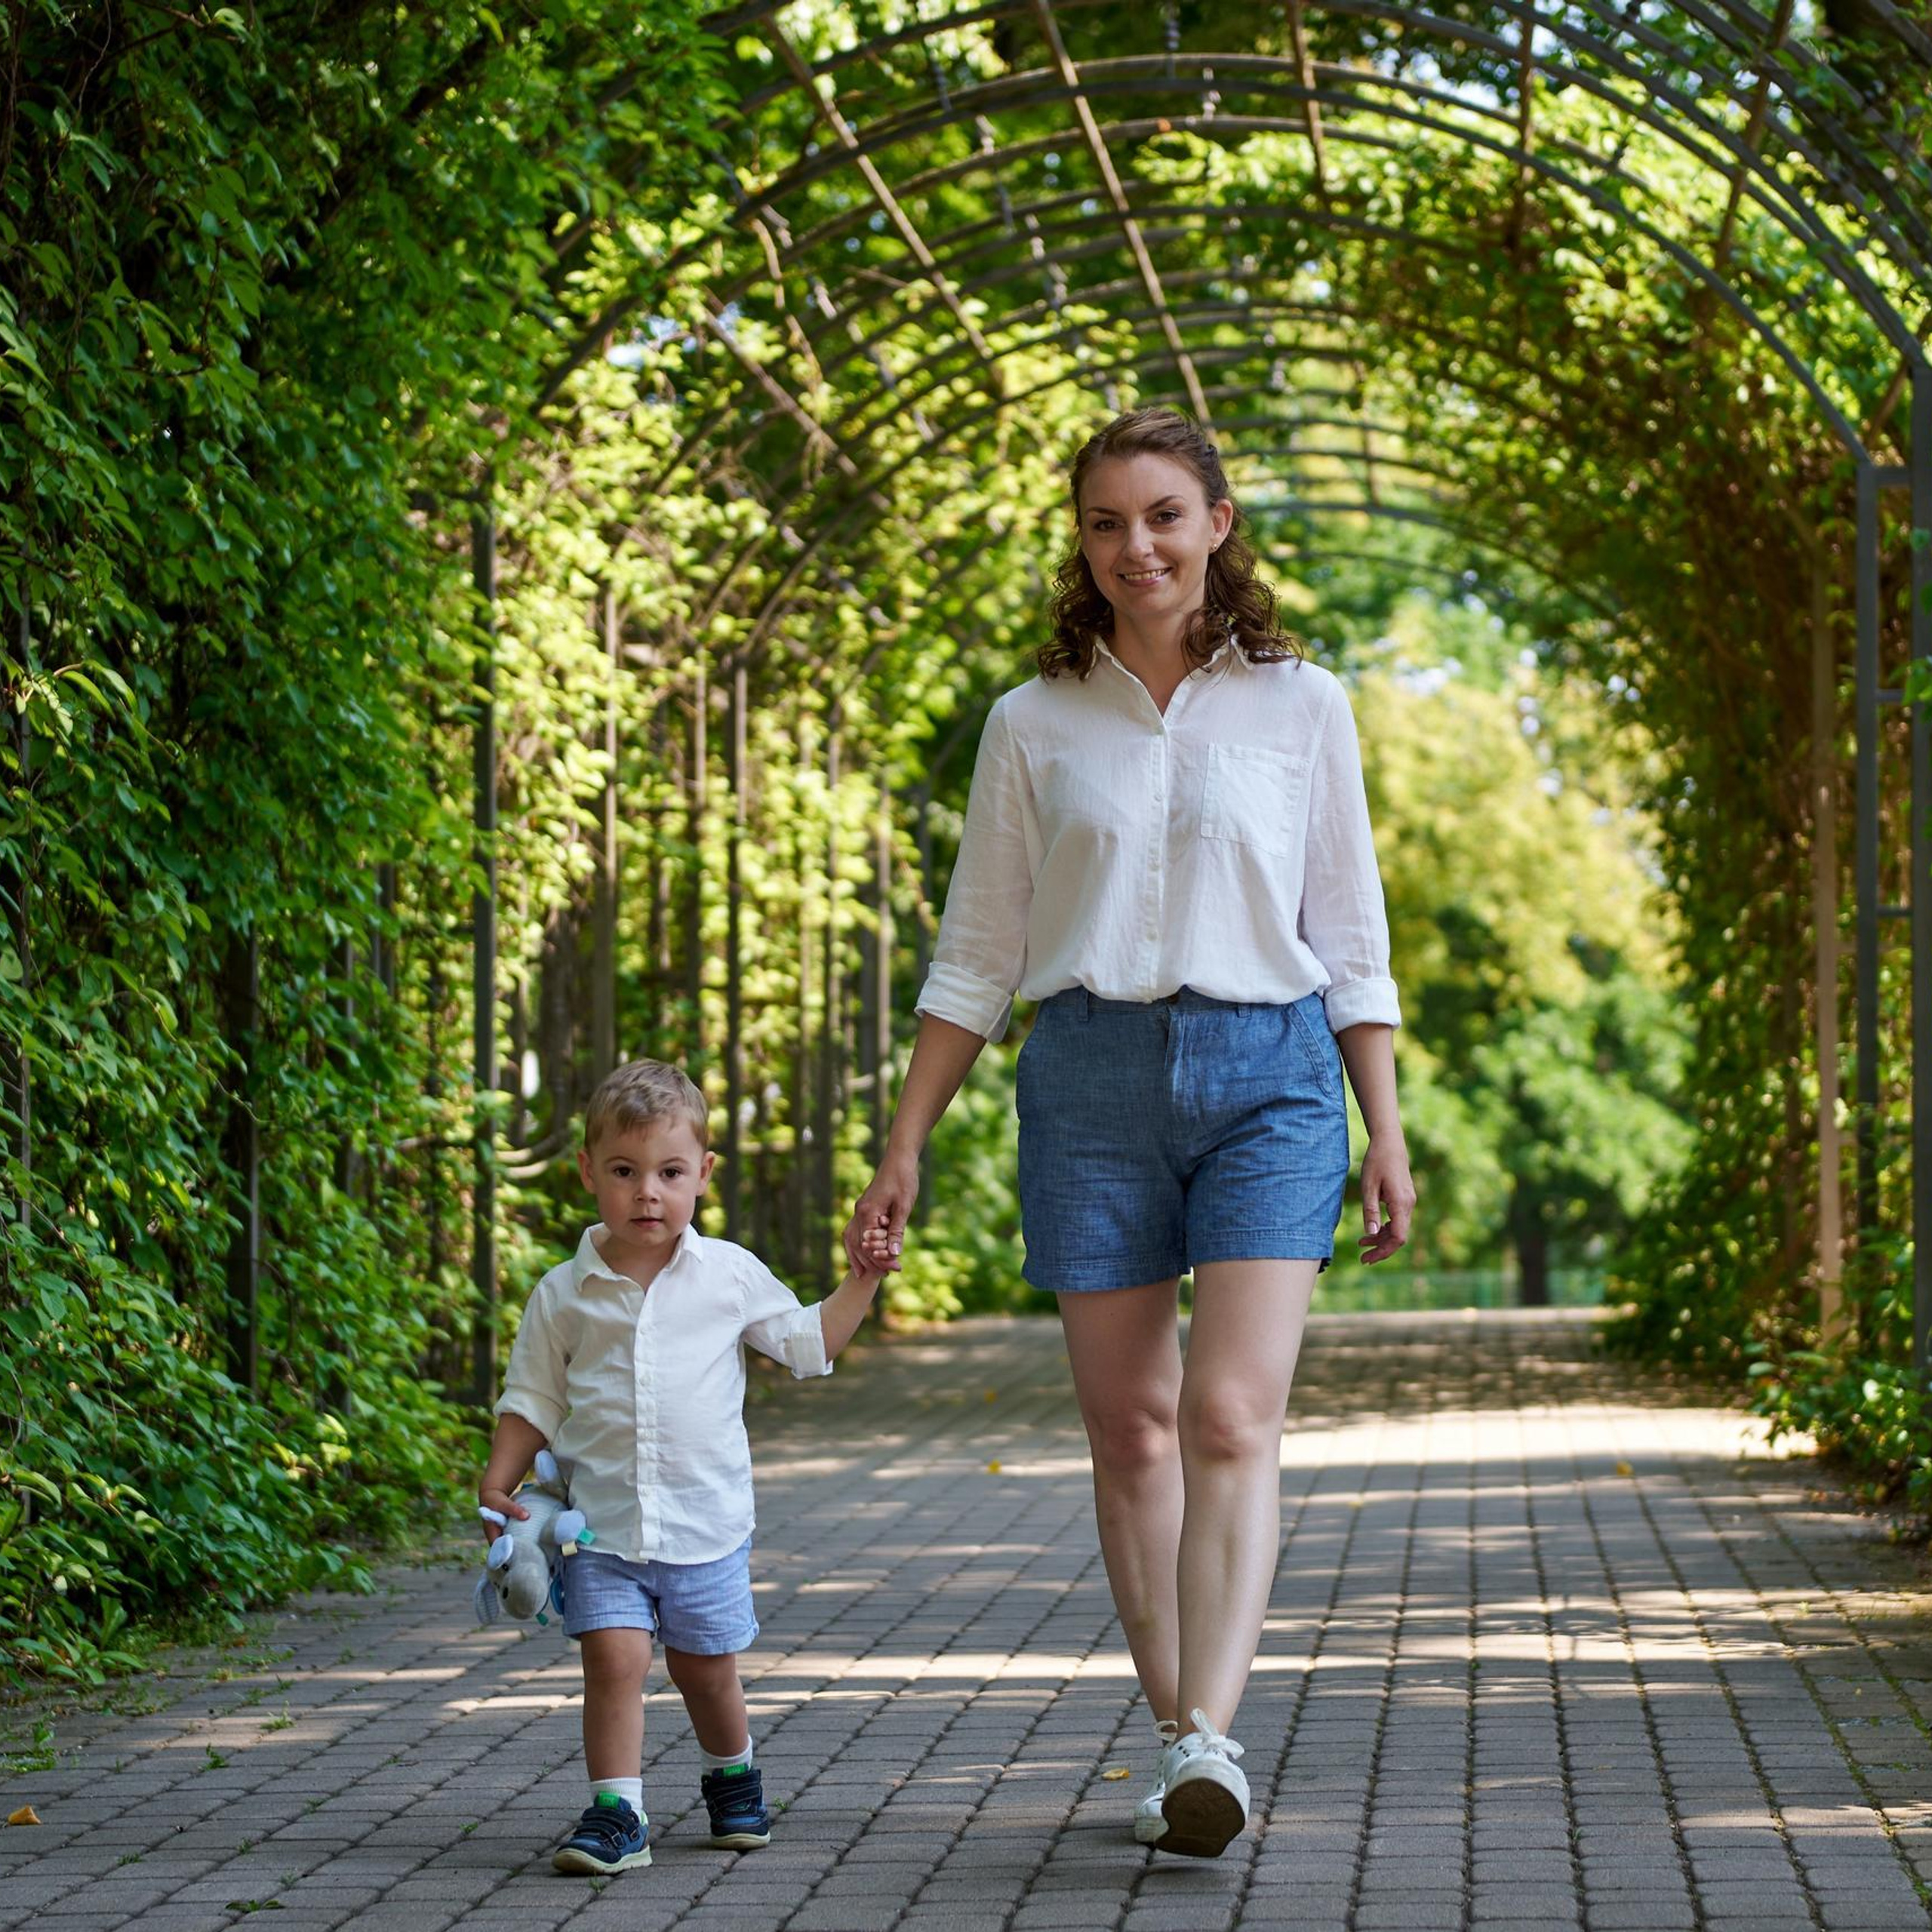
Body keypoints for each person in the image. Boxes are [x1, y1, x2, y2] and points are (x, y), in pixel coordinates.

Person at [843, 406, 1415, 1860]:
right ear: (1082, 544)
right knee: (1130, 1428)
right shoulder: (1033, 723)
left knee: (1231, 1415)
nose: (1134, 546)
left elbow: (1350, 936)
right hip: (1085, 1075)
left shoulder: (1307, 706)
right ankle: (1182, 1738)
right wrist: (906, 1138)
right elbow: (978, 951)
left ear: (1218, 522)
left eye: (1163, 514)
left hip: (1270, 1074)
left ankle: (1211, 1734)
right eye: (1105, 523)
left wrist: (1384, 1125)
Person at [481, 1058, 891, 1876]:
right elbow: (531, 1397)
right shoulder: (563, 1295)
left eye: (669, 1173)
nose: (647, 1194)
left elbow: (808, 1346)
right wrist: (500, 1479)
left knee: (705, 1671)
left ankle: (732, 1772)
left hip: (704, 1526)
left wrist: (863, 1279)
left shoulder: (727, 1275)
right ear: (587, 1172)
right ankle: (616, 1812)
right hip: (601, 1526)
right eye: (625, 1172)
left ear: (702, 1174)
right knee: (614, 1658)